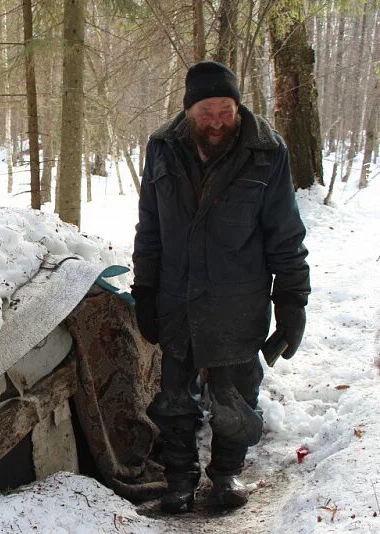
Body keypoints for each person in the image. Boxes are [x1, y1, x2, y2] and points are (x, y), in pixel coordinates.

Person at [131, 61, 310, 514]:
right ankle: (179, 483)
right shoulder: (161, 148)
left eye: (225, 110)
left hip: (238, 302)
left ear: (237, 106)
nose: (217, 121)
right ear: (189, 110)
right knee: (175, 400)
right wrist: (145, 289)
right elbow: (149, 227)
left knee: (235, 396)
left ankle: (226, 475)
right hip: (177, 299)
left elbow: (285, 234)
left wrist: (291, 301)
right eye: (207, 111)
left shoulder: (267, 152)